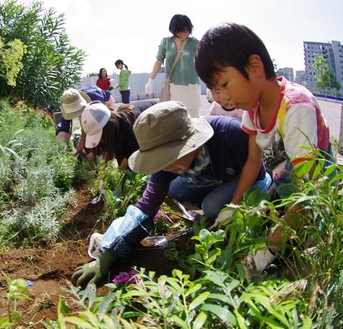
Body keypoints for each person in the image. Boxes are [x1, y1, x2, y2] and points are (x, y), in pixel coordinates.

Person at [71, 101, 271, 288]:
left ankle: (224, 197)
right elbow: (145, 207)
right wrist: (108, 253)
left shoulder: (229, 133)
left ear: (189, 143)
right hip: (213, 176)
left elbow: (255, 169)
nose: (166, 167)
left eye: (171, 159)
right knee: (175, 189)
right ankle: (218, 192)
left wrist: (233, 206)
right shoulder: (166, 165)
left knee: (212, 206)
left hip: (248, 178)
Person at [194, 22, 336, 271]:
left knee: (311, 256)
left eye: (225, 84)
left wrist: (269, 248)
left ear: (255, 66)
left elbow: (308, 191)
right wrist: (234, 208)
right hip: (285, 188)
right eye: (217, 89)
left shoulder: (295, 108)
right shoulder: (252, 108)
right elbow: (252, 161)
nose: (224, 97)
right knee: (253, 217)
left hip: (318, 196)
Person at [144, 14, 201, 118]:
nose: (184, 33)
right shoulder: (166, 42)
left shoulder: (195, 43)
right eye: (180, 31)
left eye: (186, 30)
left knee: (194, 119)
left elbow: (203, 62)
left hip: (191, 87)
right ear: (174, 30)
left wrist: (211, 83)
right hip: (173, 87)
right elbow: (158, 61)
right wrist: (150, 80)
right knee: (175, 120)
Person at [81, 99, 157, 168]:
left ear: (107, 129)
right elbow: (109, 149)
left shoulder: (129, 124)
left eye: (101, 137)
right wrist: (103, 171)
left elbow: (131, 153)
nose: (101, 141)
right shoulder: (114, 126)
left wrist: (119, 171)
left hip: (157, 123)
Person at [56, 86, 115, 156]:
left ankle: (105, 155)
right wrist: (60, 149)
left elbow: (91, 128)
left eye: (78, 111)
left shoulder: (95, 101)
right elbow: (64, 127)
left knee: (104, 133)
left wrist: (80, 148)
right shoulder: (70, 99)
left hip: (107, 104)